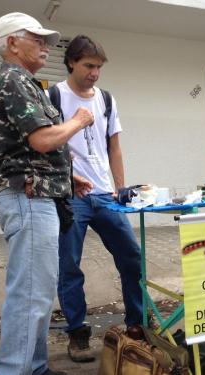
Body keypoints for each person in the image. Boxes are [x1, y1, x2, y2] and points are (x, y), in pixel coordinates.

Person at [0, 13, 94, 375]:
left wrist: (68, 177)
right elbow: (42, 139)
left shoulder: (26, 81)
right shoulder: (13, 80)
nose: (46, 45)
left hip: (39, 193)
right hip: (29, 198)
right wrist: (78, 121)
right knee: (29, 296)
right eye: (37, 38)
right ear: (12, 43)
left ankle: (34, 367)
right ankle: (15, 370)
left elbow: (32, 150)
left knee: (38, 294)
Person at [54, 35, 143, 362]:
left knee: (132, 257)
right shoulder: (53, 96)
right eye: (89, 66)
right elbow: (47, 144)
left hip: (106, 195)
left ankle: (137, 325)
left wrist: (120, 188)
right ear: (71, 63)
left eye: (99, 67)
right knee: (69, 265)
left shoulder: (106, 99)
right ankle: (78, 333)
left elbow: (114, 146)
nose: (94, 73)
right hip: (72, 196)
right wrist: (65, 177)